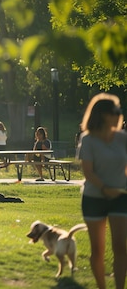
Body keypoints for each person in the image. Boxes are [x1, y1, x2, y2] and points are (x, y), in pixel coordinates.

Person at [76, 93, 127, 289]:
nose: (119, 114)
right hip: (94, 197)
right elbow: (87, 171)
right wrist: (105, 189)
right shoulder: (88, 139)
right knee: (97, 250)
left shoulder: (122, 138)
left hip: (120, 197)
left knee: (121, 247)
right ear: (103, 114)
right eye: (114, 111)